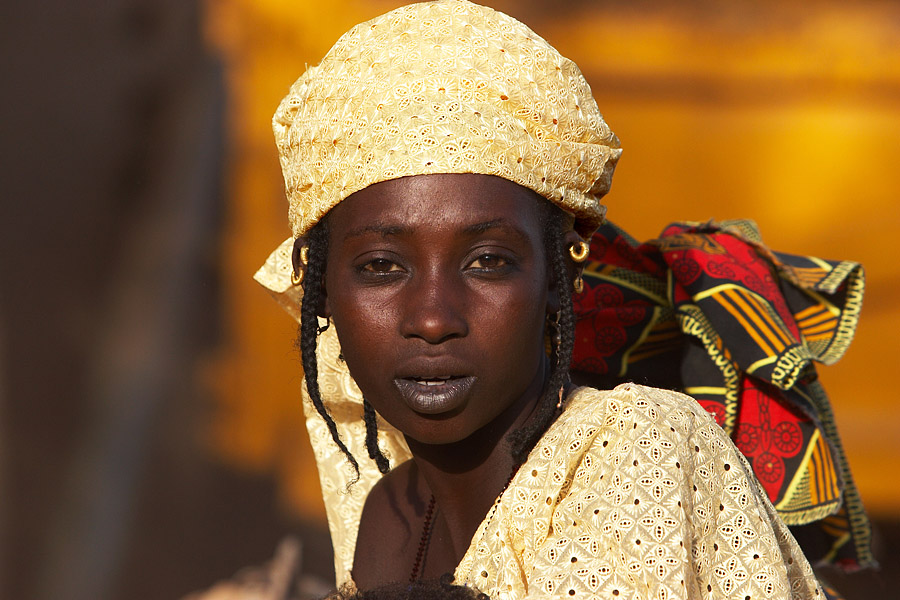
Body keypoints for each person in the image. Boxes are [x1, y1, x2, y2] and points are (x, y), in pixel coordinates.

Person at [254, 1, 828, 597]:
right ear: (318, 289)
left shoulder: (635, 451)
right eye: (380, 267)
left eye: (487, 263)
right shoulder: (388, 518)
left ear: (557, 277)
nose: (431, 319)